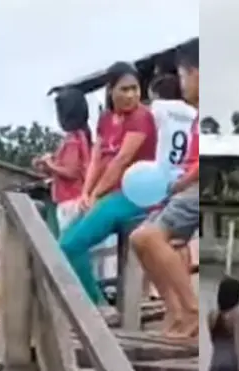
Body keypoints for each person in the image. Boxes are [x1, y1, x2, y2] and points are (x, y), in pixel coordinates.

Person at [59, 61, 157, 307]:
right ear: (111, 90)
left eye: (135, 89)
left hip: (135, 196)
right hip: (109, 195)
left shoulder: (142, 117)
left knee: (70, 244)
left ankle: (95, 305)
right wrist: (86, 193)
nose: (132, 95)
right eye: (124, 89)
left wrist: (96, 194)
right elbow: (96, 158)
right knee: (65, 242)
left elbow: (122, 160)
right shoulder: (105, 119)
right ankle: (96, 302)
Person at [130, 39, 201, 338]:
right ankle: (174, 312)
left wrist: (180, 183)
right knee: (138, 239)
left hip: (195, 187)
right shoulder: (195, 115)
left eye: (184, 76)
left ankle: (191, 310)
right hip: (185, 187)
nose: (182, 85)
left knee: (150, 236)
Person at [35, 87, 92, 235]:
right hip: (80, 199)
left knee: (69, 246)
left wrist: (50, 164)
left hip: (71, 201)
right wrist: (48, 167)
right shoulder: (82, 136)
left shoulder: (72, 140)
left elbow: (72, 172)